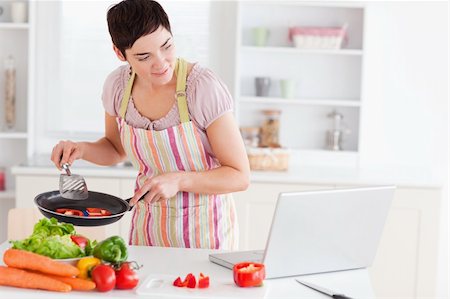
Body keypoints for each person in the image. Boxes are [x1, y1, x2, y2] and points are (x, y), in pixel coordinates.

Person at [50, 0, 250, 250]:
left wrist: (179, 181)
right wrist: (81, 149)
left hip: (205, 234)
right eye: (144, 57)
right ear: (120, 53)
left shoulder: (201, 87)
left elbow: (239, 176)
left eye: (166, 46)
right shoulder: (118, 87)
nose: (161, 63)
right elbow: (115, 149)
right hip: (148, 229)